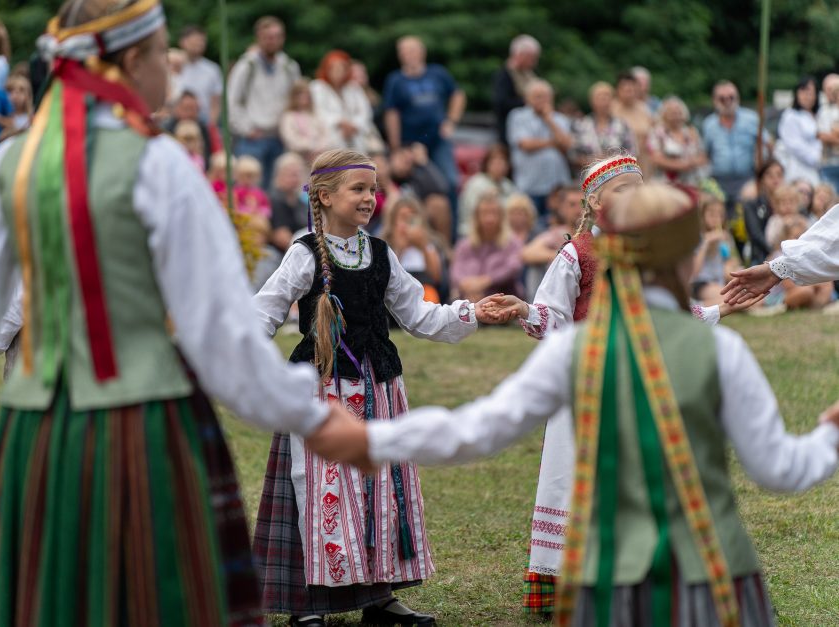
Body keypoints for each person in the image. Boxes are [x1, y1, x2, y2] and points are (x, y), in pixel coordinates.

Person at [0, 3, 357, 626]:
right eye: (165, 55)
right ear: (134, 61)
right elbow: (223, 336)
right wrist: (308, 414)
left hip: (36, 433)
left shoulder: (10, 164)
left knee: (47, 602)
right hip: (144, 427)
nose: (172, 72)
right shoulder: (162, 166)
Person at [316, 182, 839, 627]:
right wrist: (831, 434)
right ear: (686, 260)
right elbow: (780, 469)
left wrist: (371, 439)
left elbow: (477, 428)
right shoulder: (721, 352)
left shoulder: (576, 350)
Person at [475, 155, 751, 619]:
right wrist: (525, 308)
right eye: (623, 188)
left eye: (639, 188)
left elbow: (670, 317)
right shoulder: (575, 253)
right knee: (576, 480)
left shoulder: (651, 254)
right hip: (583, 387)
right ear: (595, 200)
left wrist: (722, 308)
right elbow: (552, 317)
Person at [253, 149, 499, 627]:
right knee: (324, 490)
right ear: (323, 197)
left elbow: (422, 316)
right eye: (358, 189)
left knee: (379, 490)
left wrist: (473, 312)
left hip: (380, 391)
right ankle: (309, 605)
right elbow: (264, 311)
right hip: (324, 393)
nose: (370, 198)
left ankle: (378, 599)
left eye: (373, 189)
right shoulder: (304, 253)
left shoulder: (381, 253)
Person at [383, 36, 465, 213]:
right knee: (418, 189)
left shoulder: (438, 73)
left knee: (450, 182)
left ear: (422, 52)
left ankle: (452, 235)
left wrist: (451, 121)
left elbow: (458, 95)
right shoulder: (395, 80)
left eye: (411, 50)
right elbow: (391, 113)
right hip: (410, 144)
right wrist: (396, 147)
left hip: (438, 140)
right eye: (403, 52)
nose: (407, 55)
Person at [227, 16, 300, 188]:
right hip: (253, 139)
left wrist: (290, 128)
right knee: (250, 190)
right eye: (268, 37)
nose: (272, 41)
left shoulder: (289, 67)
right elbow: (232, 101)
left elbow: (295, 101)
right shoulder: (247, 66)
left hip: (280, 137)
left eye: (276, 36)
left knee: (278, 191)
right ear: (259, 38)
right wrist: (246, 128)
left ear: (282, 38)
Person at [506, 79, 573, 217]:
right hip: (529, 185)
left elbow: (566, 144)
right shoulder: (518, 116)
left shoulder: (560, 119)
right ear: (527, 98)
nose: (542, 100)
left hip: (556, 187)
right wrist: (553, 143)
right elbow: (525, 144)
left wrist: (549, 120)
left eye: (545, 96)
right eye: (537, 96)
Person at [702, 80, 769, 206]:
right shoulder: (709, 124)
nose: (727, 102)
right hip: (718, 180)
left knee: (751, 196)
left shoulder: (752, 119)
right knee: (708, 200)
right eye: (722, 99)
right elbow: (706, 155)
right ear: (715, 100)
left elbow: (767, 144)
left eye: (731, 97)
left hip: (747, 179)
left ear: (737, 98)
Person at [451, 191, 524, 301]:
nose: (489, 219)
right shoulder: (465, 245)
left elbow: (513, 268)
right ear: (477, 217)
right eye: (484, 213)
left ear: (501, 216)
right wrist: (468, 286)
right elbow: (456, 271)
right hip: (469, 299)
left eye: (494, 213)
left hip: (503, 299)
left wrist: (486, 281)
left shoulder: (512, 243)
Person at [310, 50, 381, 154]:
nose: (338, 72)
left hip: (356, 135)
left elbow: (365, 112)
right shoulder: (317, 87)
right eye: (334, 68)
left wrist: (354, 125)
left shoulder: (353, 88)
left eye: (341, 68)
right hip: (329, 136)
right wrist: (340, 122)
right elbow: (318, 111)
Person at [381, 195, 444, 303]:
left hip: (424, 289)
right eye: (403, 218)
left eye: (412, 219)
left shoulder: (427, 244)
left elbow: (436, 277)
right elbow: (384, 277)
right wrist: (400, 247)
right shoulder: (385, 245)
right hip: (397, 291)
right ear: (394, 222)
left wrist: (423, 245)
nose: (408, 224)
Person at [570, 82, 635, 169]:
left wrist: (611, 161)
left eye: (606, 98)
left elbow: (631, 153)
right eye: (599, 98)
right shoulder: (580, 125)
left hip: (616, 175)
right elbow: (572, 155)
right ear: (591, 101)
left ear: (612, 101)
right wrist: (593, 161)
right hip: (587, 176)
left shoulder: (621, 125)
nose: (603, 102)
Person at [458, 144, 517, 238]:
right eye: (495, 161)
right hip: (472, 234)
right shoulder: (476, 183)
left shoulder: (508, 185)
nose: (499, 165)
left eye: (502, 161)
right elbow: (471, 215)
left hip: (502, 235)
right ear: (487, 163)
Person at [692, 195, 741, 306]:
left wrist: (731, 266)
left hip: (720, 281)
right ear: (702, 215)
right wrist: (706, 242)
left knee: (741, 293)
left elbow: (733, 260)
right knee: (731, 297)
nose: (716, 218)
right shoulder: (698, 238)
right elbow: (694, 272)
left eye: (720, 215)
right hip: (701, 284)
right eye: (712, 214)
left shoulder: (725, 237)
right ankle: (697, 306)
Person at [646, 96, 707, 185]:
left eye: (679, 112)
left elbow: (703, 156)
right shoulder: (657, 133)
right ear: (664, 115)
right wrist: (681, 165)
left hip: (692, 183)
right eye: (672, 113)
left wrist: (693, 162)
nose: (676, 116)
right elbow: (655, 159)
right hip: (666, 184)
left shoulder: (691, 132)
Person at [493, 35, 541, 146]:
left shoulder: (529, 75)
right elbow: (501, 104)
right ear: (520, 55)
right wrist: (529, 102)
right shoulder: (504, 76)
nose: (534, 62)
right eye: (532, 58)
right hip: (511, 133)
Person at [776, 76, 822, 185]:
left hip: (820, 169)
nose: (807, 96)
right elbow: (794, 145)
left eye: (810, 93)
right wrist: (818, 158)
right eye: (803, 92)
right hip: (799, 169)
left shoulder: (819, 115)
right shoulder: (790, 116)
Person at [740, 159, 784, 266]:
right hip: (761, 257)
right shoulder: (751, 205)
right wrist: (774, 253)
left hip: (787, 256)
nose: (775, 179)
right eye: (770, 175)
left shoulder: (792, 203)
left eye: (779, 174)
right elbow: (755, 235)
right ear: (761, 179)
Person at [176, 25, 222, 124]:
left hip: (203, 121)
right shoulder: (173, 66)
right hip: (176, 119)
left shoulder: (212, 69)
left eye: (201, 41)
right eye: (194, 41)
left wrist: (211, 125)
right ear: (183, 42)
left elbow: (216, 103)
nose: (198, 44)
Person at [611, 71, 652, 174]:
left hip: (643, 161)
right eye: (626, 90)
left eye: (633, 89)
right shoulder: (612, 109)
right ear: (618, 90)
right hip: (619, 163)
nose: (630, 93)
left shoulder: (644, 109)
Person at [279, 79, 329, 164]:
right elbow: (290, 138)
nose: (304, 98)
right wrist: (309, 146)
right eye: (300, 95)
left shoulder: (315, 115)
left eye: (306, 95)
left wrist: (318, 148)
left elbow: (325, 133)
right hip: (297, 158)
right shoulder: (288, 116)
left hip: (317, 156)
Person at [268, 152, 310, 252]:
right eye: (291, 175)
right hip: (282, 256)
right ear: (279, 175)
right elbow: (281, 237)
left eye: (298, 174)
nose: (296, 179)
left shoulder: (300, 201)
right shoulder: (275, 200)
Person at [1, 75, 34, 139]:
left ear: (28, 95)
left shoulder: (33, 117)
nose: (15, 96)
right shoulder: (3, 116)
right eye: (11, 91)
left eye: (21, 91)